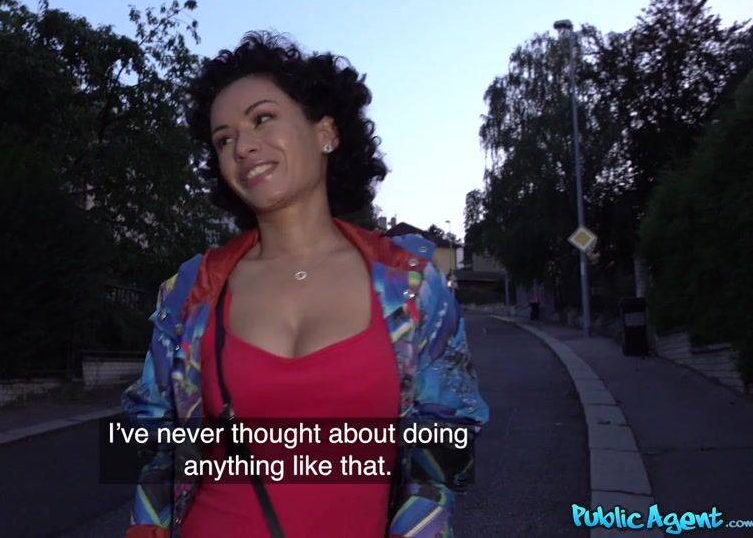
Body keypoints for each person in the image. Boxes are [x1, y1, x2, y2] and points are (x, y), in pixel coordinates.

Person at [121, 31, 489, 538]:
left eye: (262, 118)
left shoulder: (412, 286)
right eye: (224, 139)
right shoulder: (193, 291)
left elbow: (444, 455)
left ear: (326, 132)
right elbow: (152, 443)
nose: (243, 146)